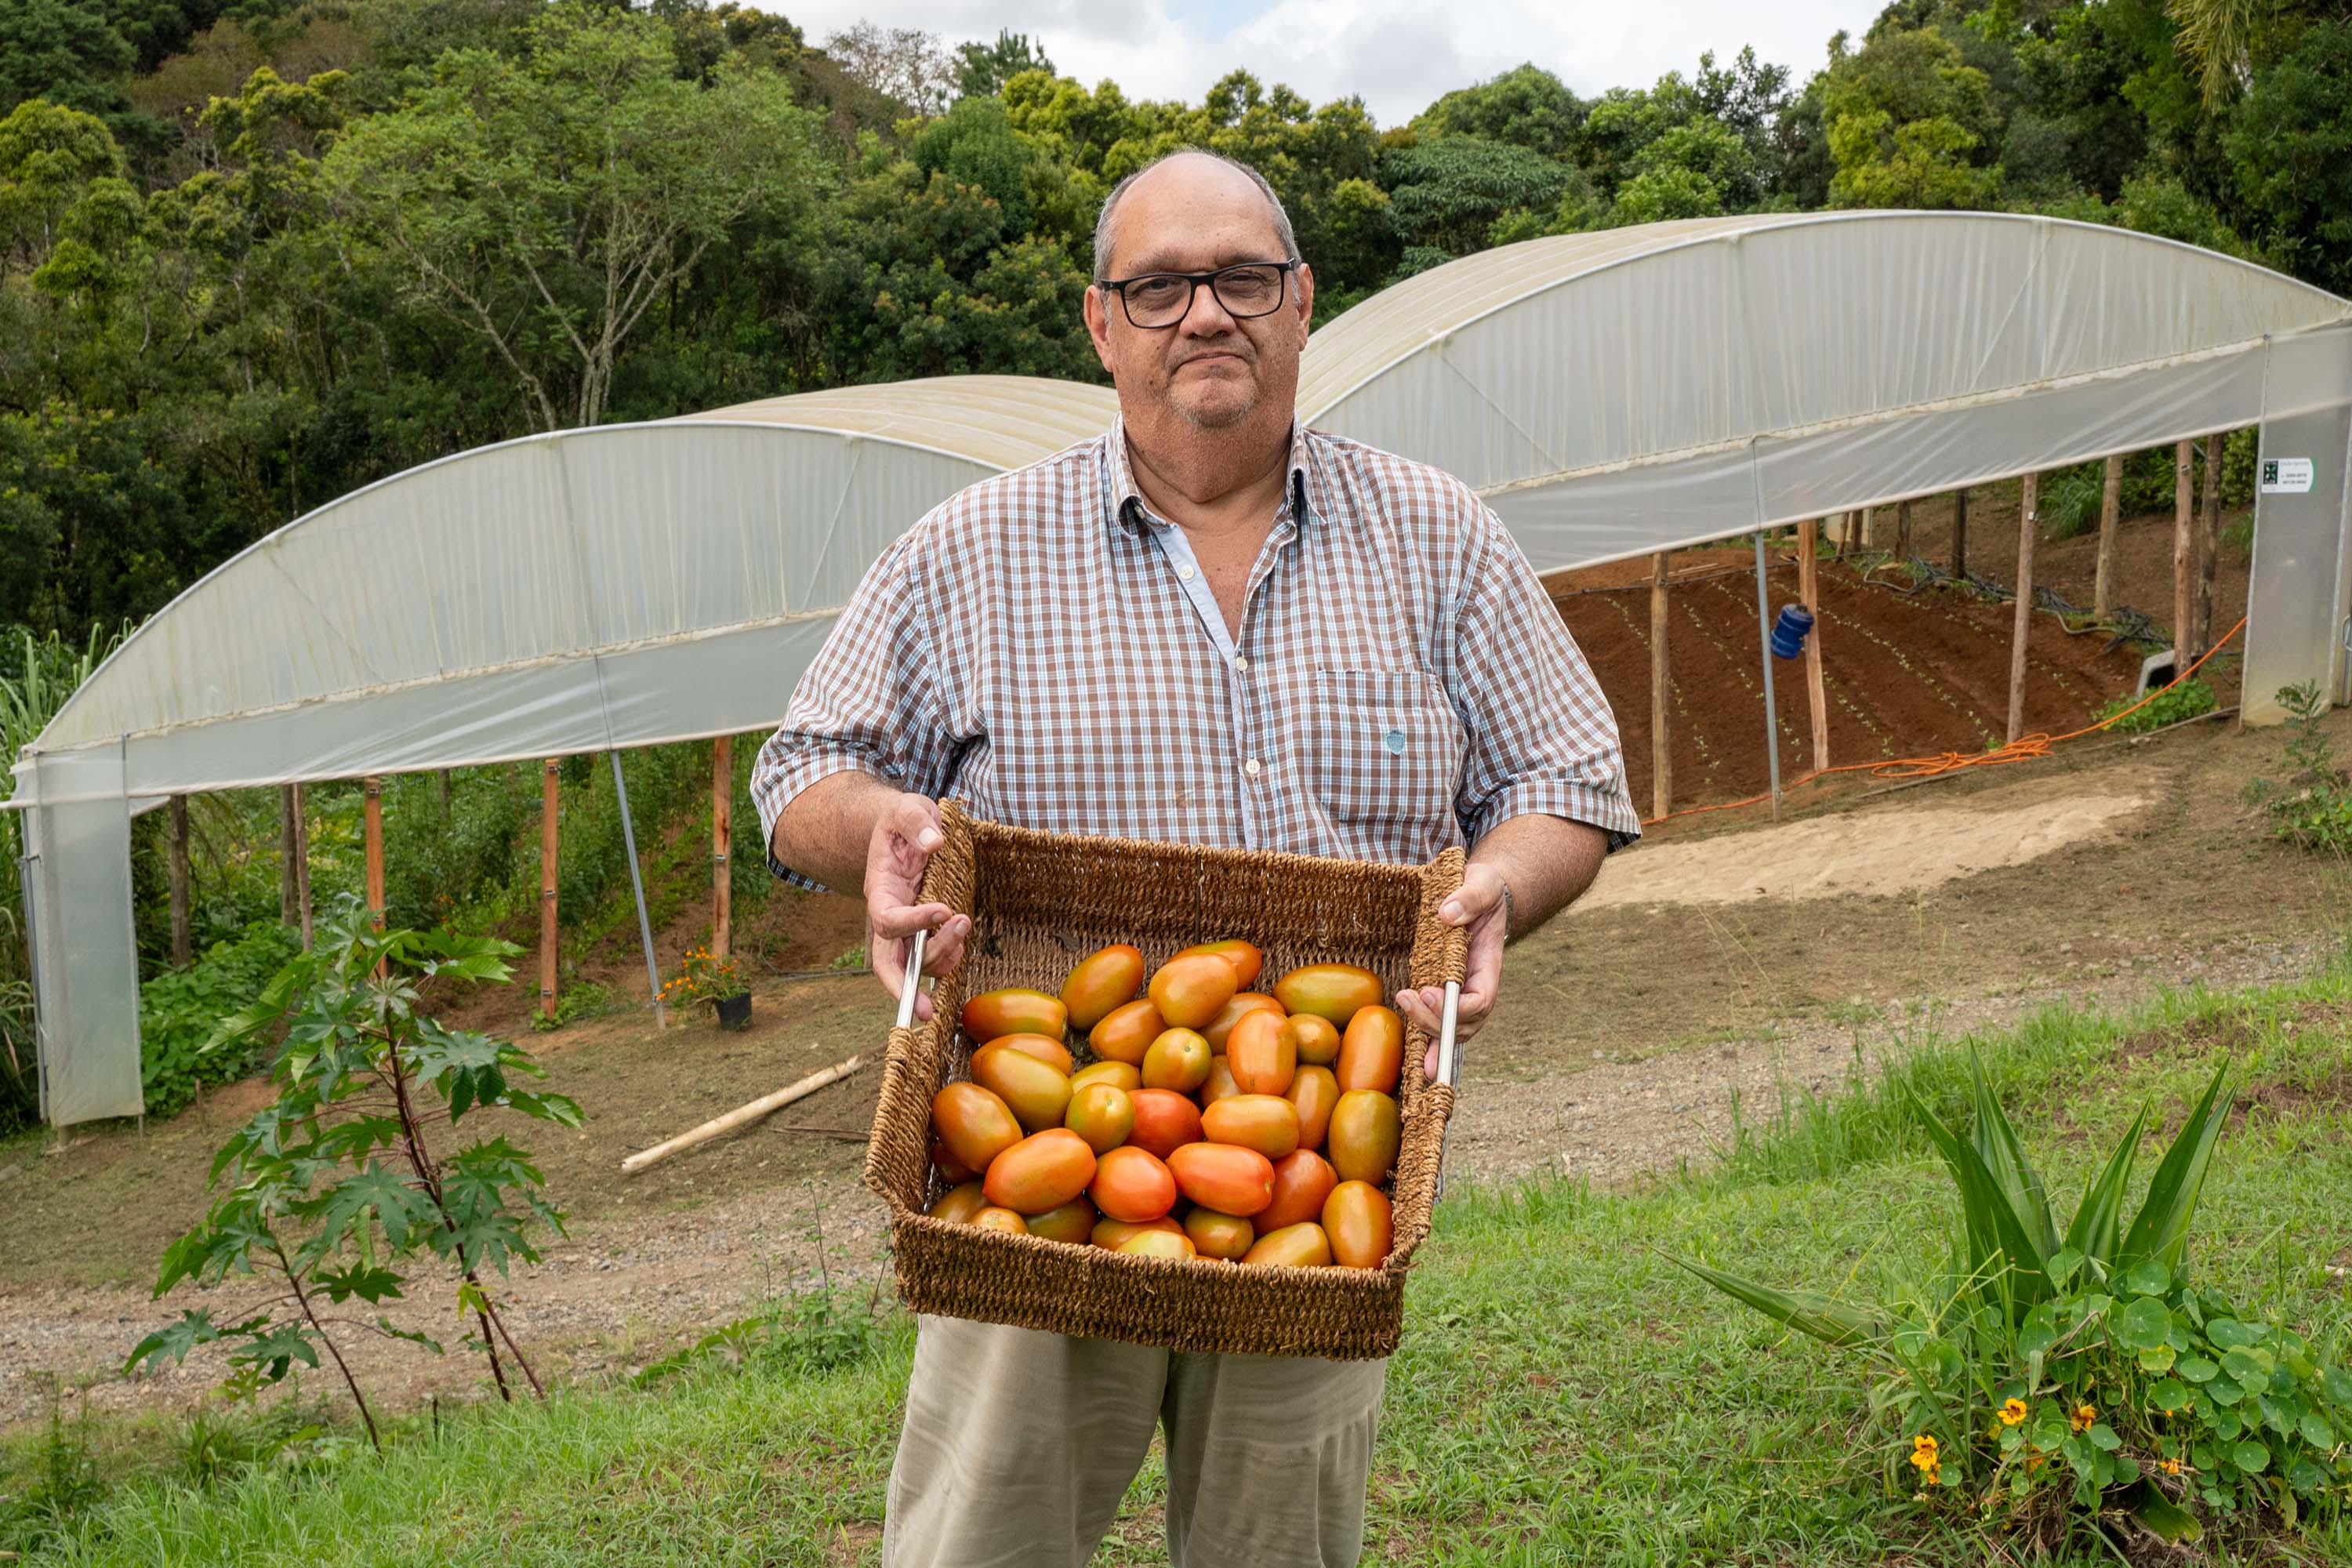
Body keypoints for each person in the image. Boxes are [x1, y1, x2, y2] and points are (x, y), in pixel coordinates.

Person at [752, 147, 1639, 1568]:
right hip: (1034, 1209)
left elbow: (1568, 782)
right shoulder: (966, 554)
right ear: (1103, 326)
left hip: (1310, 1183)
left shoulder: (1437, 538)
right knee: (982, 1546)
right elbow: (797, 773)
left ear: (1301, 306)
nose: (1204, 314)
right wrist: (885, 830)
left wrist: (1502, 885)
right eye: (1160, 286)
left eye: (1241, 279)